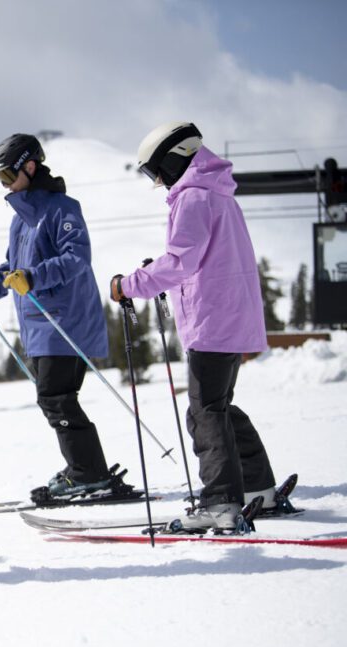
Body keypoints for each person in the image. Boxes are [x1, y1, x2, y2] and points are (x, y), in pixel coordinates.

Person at [111, 121, 278, 531]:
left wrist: (129, 284)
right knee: (218, 407)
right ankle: (258, 490)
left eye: (156, 172)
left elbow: (182, 261)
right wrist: (163, 270)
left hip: (212, 320)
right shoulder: (218, 195)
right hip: (227, 315)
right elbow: (198, 259)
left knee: (204, 412)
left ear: (174, 158)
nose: (158, 182)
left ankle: (221, 502)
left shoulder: (193, 198)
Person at [0, 134, 115, 498]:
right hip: (39, 328)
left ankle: (88, 472)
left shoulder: (61, 208)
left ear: (30, 166)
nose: (5, 186)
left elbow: (77, 257)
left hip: (65, 322)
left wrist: (35, 276)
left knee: (57, 399)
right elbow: (11, 269)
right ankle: (85, 468)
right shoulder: (21, 221)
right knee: (54, 401)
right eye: (0, 181)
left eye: (8, 177)